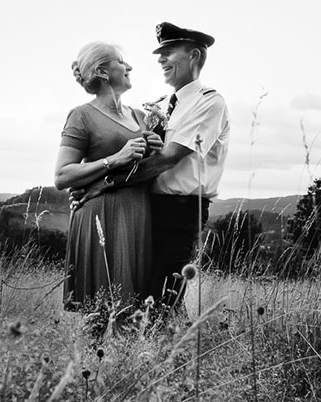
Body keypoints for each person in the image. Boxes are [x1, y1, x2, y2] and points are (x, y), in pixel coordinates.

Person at [74, 22, 230, 305]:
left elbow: (168, 159)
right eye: (160, 53)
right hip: (144, 208)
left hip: (179, 211)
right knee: (138, 296)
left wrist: (103, 185)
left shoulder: (208, 102)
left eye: (169, 51)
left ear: (194, 56)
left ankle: (168, 346)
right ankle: (156, 347)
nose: (160, 59)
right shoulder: (165, 104)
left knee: (162, 297)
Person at [55, 42, 163, 310]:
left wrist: (154, 151)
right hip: (101, 218)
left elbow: (145, 170)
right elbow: (62, 175)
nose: (129, 67)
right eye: (121, 61)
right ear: (103, 71)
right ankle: (91, 354)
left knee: (135, 313)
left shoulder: (141, 116)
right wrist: (115, 159)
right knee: (99, 312)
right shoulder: (81, 115)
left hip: (140, 216)